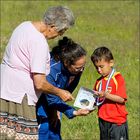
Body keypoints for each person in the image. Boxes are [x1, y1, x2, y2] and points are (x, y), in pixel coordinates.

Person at [0, 6, 75, 140]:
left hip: (5, 90)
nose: (61, 35)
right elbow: (40, 83)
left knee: (6, 134)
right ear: (52, 26)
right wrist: (60, 92)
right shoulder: (39, 42)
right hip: (20, 97)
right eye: (61, 31)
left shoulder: (24, 26)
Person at [36, 36, 90, 140]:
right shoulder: (51, 71)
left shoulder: (77, 70)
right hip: (40, 102)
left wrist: (58, 108)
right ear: (66, 63)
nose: (82, 70)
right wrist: (73, 112)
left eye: (83, 66)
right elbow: (51, 98)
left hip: (54, 100)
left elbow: (67, 90)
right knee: (44, 130)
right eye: (78, 67)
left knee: (55, 131)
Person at [91, 46, 129, 140]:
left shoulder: (118, 78)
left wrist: (106, 95)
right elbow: (96, 100)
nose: (99, 70)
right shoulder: (99, 81)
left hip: (117, 122)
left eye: (101, 66)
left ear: (111, 63)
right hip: (103, 121)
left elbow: (121, 99)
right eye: (96, 67)